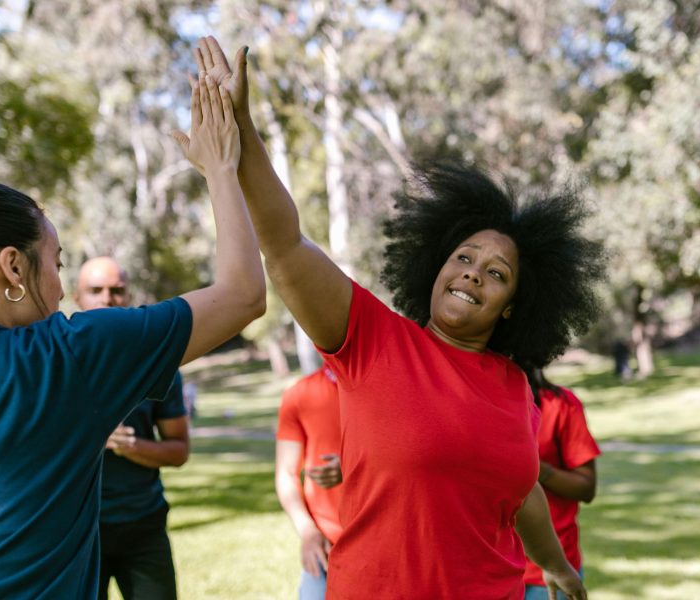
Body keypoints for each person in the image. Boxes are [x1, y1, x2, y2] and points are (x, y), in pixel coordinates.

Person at [191, 36, 606, 599]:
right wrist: (243, 132)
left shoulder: (514, 389)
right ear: (436, 267)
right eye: (463, 257)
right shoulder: (373, 338)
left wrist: (555, 565)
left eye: (497, 272)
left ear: (512, 306)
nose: (473, 273)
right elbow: (286, 246)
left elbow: (521, 487)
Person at [0, 76, 265, 598]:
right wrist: (222, 168)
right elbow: (244, 294)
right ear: (12, 267)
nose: (59, 286)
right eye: (57, 262)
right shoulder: (67, 356)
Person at [74, 257, 189, 600]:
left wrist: (131, 446)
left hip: (144, 527)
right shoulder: (54, 361)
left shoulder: (155, 365)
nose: (107, 299)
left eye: (117, 290)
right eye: (95, 291)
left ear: (129, 295)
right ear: (76, 296)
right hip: (79, 533)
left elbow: (179, 451)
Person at [522, 367, 601, 600]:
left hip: (549, 569)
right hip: (488, 565)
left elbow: (586, 488)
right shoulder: (477, 399)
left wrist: (535, 467)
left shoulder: (561, 403)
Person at [275, 365, 342, 599]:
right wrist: (308, 531)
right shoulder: (299, 394)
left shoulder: (390, 384)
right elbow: (286, 473)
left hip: (388, 546)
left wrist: (356, 469)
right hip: (325, 545)